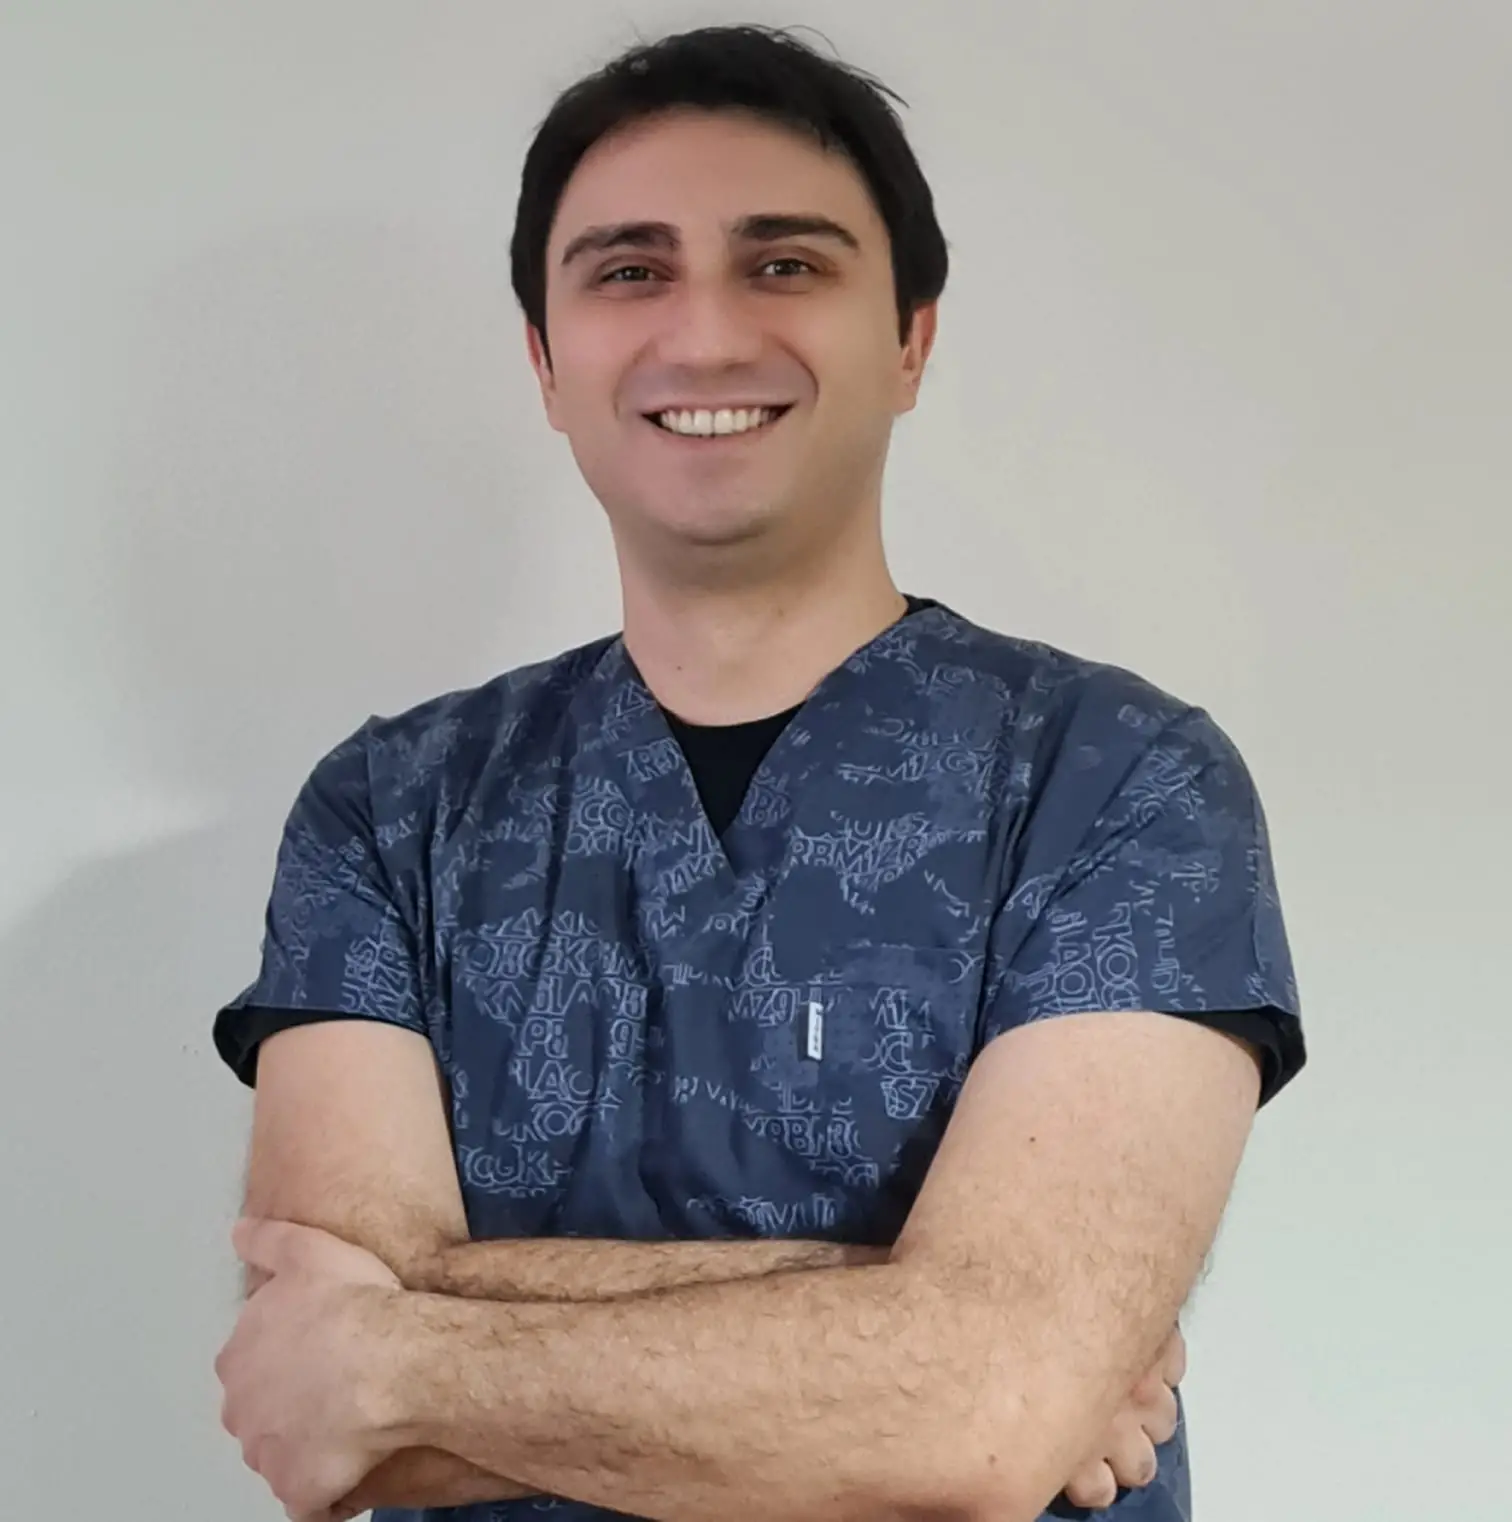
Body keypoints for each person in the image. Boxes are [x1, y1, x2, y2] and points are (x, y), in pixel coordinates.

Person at [211, 24, 1306, 1522]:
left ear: (910, 337)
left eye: (785, 263)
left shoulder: (1119, 784)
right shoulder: (392, 811)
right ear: (545, 360)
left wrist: (412, 1348)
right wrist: (924, 1327)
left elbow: (980, 1415)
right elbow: (311, 1390)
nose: (708, 334)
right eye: (628, 270)